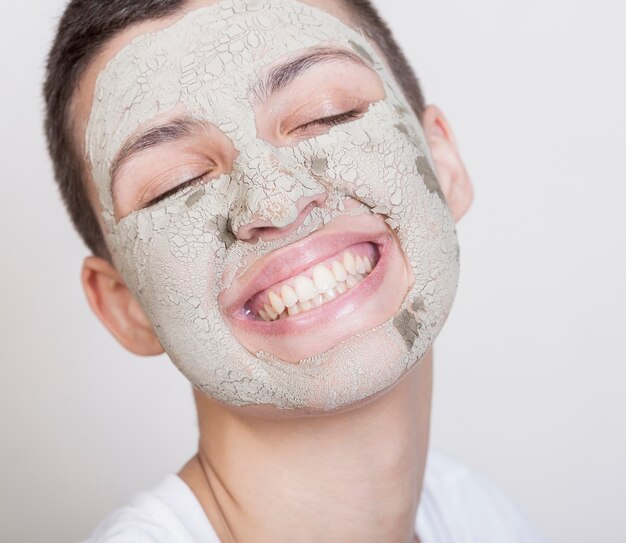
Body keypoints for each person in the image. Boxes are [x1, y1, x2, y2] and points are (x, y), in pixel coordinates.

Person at [43, 0, 546, 541]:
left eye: (325, 114)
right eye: (178, 181)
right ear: (125, 306)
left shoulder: (479, 515)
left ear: (442, 162)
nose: (275, 203)